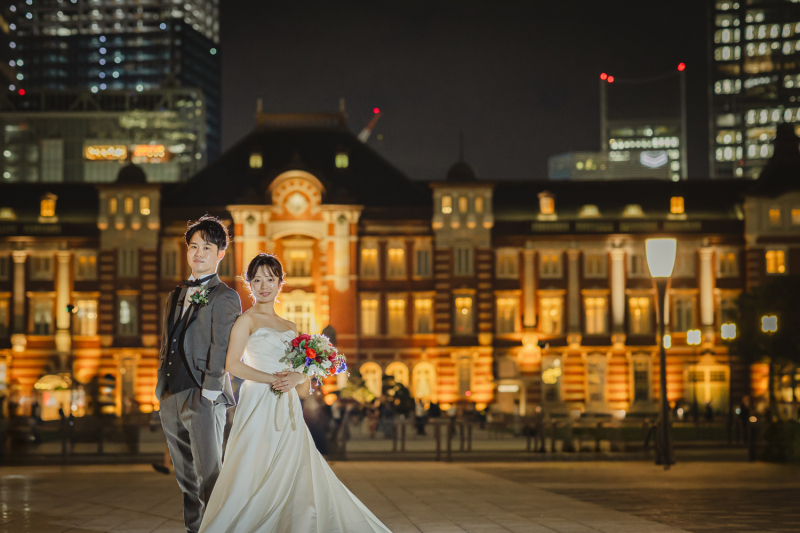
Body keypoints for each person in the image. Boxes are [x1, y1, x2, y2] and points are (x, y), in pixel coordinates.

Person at [199, 253, 391, 533]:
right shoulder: (246, 321)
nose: (264, 285)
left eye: (270, 279)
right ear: (249, 284)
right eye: (257, 279)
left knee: (293, 464)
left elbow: (299, 370)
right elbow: (232, 365)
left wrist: (298, 375)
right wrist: (272, 380)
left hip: (287, 402)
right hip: (258, 400)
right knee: (256, 461)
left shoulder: (290, 327)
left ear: (280, 283)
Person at [155, 215, 241, 533]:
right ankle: (195, 528)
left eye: (206, 247)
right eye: (193, 246)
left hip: (203, 394)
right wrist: (161, 388)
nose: (198, 253)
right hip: (171, 394)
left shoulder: (225, 296)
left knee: (210, 473)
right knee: (185, 475)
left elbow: (222, 345)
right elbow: (169, 341)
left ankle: (220, 527)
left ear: (220, 253)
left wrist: (211, 389)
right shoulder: (175, 294)